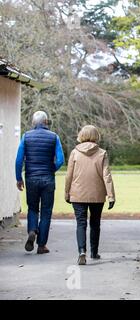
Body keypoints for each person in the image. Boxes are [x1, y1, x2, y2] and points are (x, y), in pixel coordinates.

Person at [65, 125, 115, 265]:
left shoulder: (75, 152)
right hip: (97, 194)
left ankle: (82, 251)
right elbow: (107, 175)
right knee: (95, 223)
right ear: (96, 136)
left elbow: (69, 175)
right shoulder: (102, 153)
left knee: (81, 223)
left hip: (77, 193)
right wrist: (111, 195)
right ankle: (94, 251)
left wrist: (67, 193)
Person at [15, 111, 65, 254]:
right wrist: (51, 170)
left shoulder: (26, 137)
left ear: (33, 122)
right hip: (48, 179)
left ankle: (32, 230)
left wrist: (19, 178)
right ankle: (41, 245)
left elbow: (19, 160)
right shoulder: (54, 137)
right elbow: (60, 160)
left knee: (32, 208)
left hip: (31, 178)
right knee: (46, 211)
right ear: (46, 121)